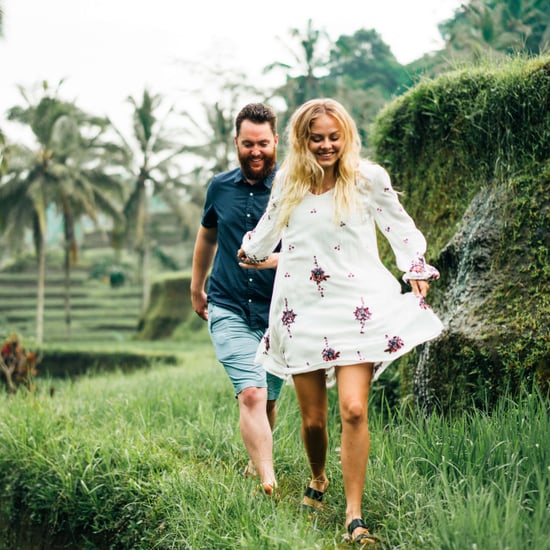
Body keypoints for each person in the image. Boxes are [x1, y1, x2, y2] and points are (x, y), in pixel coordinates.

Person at [238, 98, 444, 543]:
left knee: (353, 409)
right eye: (317, 138)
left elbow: (399, 227)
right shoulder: (289, 182)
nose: (326, 145)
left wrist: (415, 266)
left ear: (346, 137)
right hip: (302, 310)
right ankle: (318, 477)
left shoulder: (368, 179)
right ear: (302, 140)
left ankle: (354, 516)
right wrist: (250, 252)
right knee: (314, 421)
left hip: (358, 307)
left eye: (334, 137)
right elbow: (268, 229)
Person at [190, 103, 284, 495]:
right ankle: (269, 481)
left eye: (263, 143)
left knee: (269, 400)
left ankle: (254, 462)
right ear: (236, 143)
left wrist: (271, 260)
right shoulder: (220, 186)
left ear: (276, 141)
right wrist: (197, 286)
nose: (256, 151)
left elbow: (309, 247)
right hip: (228, 304)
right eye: (248, 144)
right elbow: (208, 234)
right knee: (251, 392)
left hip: (279, 312)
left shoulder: (292, 189)